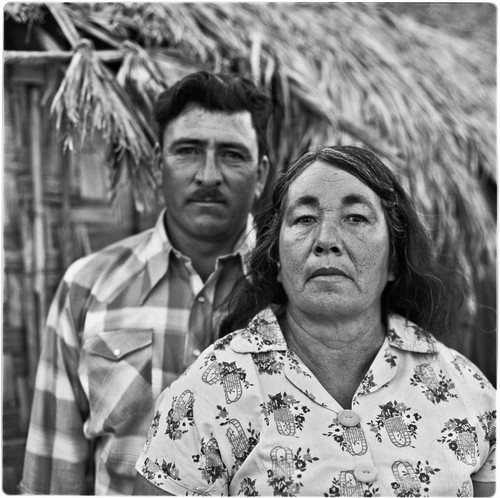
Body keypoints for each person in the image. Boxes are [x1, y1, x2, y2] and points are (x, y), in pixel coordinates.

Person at [133, 146, 495, 497]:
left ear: (395, 259)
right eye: (305, 219)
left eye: (356, 218)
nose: (325, 240)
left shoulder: (468, 393)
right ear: (275, 257)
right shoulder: (205, 396)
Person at [20, 71, 271, 495]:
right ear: (157, 164)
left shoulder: (293, 293)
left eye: (232, 154)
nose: (208, 175)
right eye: (188, 151)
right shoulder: (89, 288)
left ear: (261, 173)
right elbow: (52, 475)